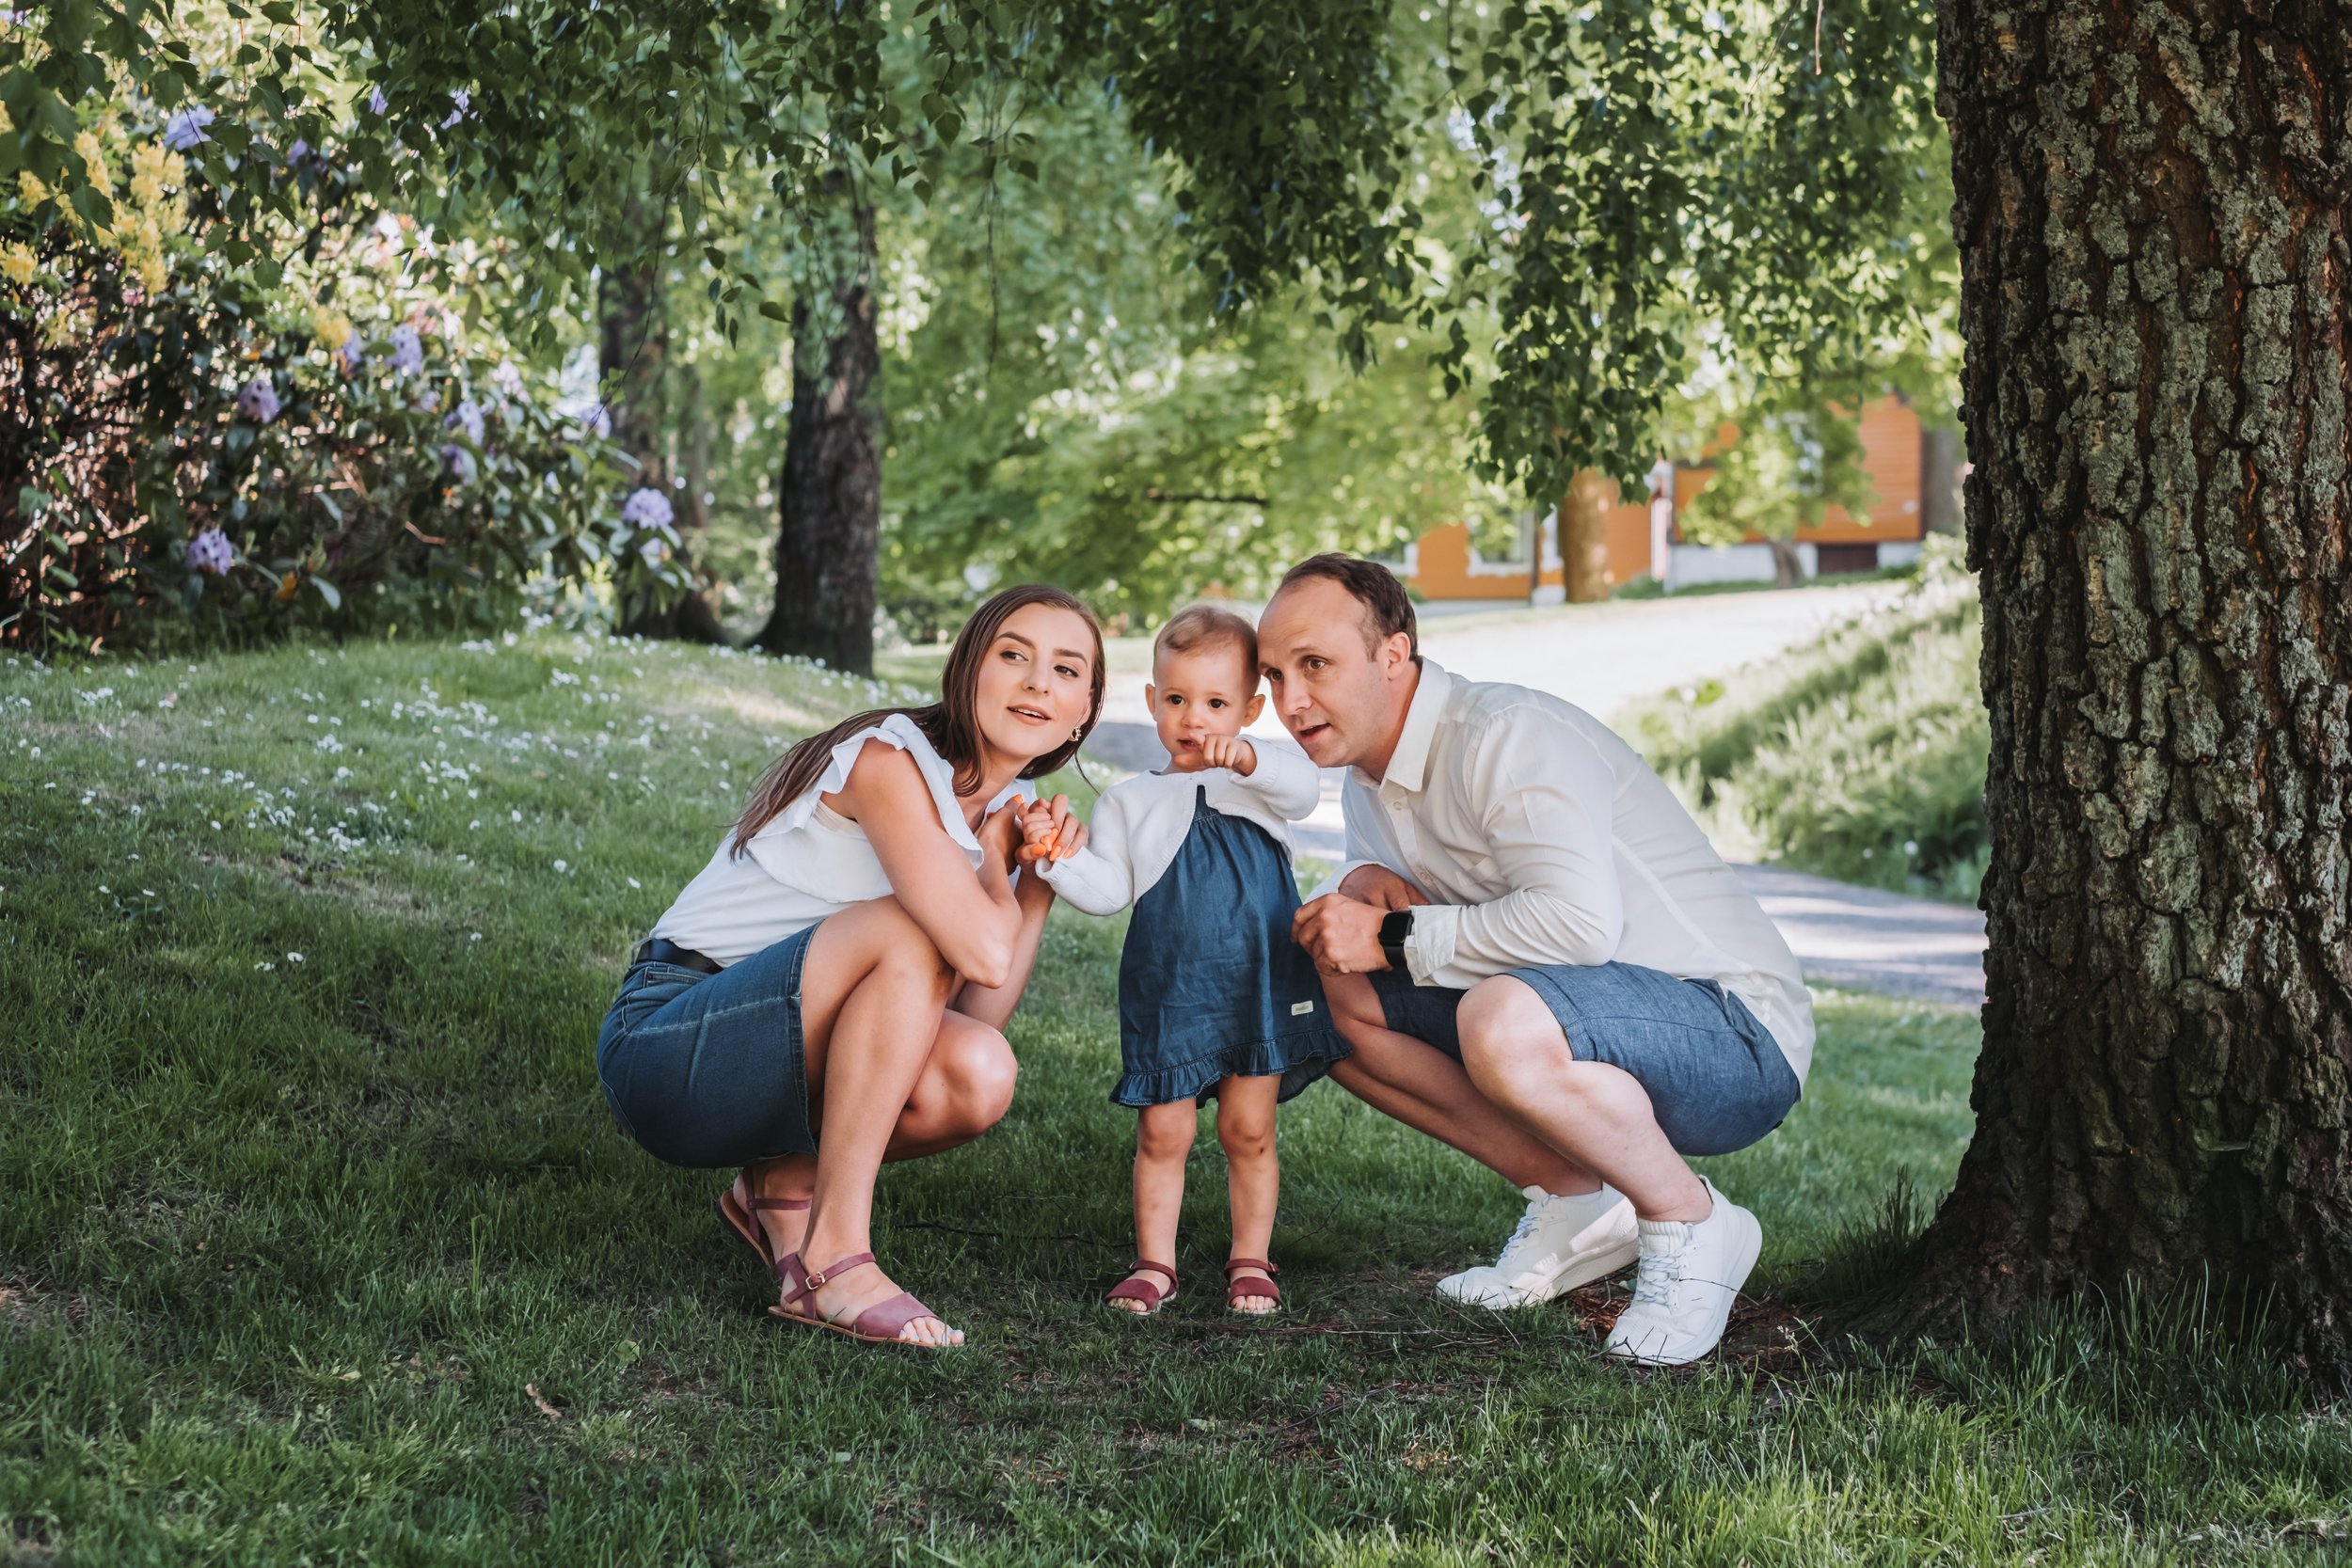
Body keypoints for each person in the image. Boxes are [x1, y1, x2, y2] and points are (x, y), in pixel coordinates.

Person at [1260, 554, 1813, 1366]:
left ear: (1392, 656)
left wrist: (1387, 937)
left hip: (1735, 1033)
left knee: (1500, 1014)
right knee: (1326, 989)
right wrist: (1361, 887)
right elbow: (1415, 926)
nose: (1290, 701)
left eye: (1315, 665)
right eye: (1274, 674)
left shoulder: (1505, 735)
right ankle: (1577, 1200)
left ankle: (1692, 1222)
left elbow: (1579, 926)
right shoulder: (1368, 783)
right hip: (1587, 1025)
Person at [596, 585, 1104, 1350]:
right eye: (1013, 655)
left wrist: (1041, 873)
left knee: (980, 1071)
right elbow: (980, 949)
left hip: (774, 1052)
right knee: (909, 930)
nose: (1038, 682)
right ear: (966, 670)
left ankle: (780, 1183)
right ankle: (833, 1256)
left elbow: (975, 1013)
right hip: (670, 1041)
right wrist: (999, 861)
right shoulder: (887, 760)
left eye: (1067, 670)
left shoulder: (1008, 804)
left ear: (1085, 709)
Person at [1028, 606, 1348, 1318]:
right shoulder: (1129, 799)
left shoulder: (1258, 780)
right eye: (1176, 699)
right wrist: (1057, 858)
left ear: (1249, 707)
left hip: (1256, 983)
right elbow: (1109, 890)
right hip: (1172, 989)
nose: (1193, 718)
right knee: (1162, 1129)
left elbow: (1301, 790)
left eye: (1215, 703)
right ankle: (1154, 1264)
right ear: (1151, 701)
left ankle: (1250, 1258)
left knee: (1248, 1129)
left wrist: (1250, 755)